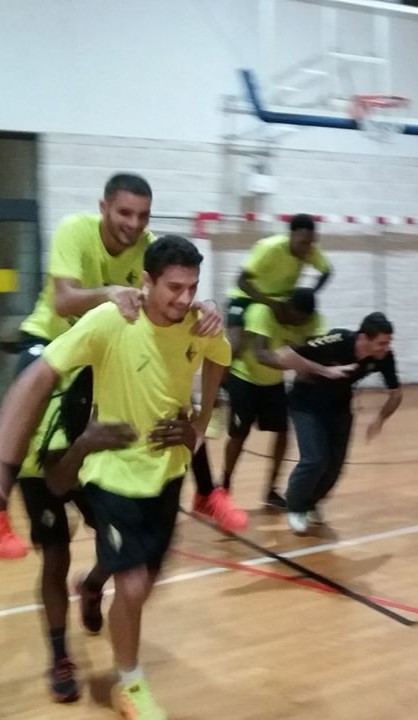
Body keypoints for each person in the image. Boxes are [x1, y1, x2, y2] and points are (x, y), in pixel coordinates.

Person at [0, 235, 231, 719]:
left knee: (145, 583)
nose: (185, 298)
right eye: (174, 287)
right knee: (129, 585)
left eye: (193, 287)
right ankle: (130, 683)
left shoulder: (195, 321)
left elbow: (219, 357)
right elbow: (40, 375)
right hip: (111, 473)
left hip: (167, 473)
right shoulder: (111, 320)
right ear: (145, 282)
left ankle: (91, 586)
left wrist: (200, 421)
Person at [0, 174, 226, 559]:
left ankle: (208, 491)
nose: (134, 224)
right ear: (103, 208)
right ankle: (1, 505)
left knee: (174, 391)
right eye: (125, 212)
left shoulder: (149, 247)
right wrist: (109, 292)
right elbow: (62, 301)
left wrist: (206, 307)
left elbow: (175, 286)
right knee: (32, 380)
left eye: (143, 215)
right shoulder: (76, 230)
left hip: (107, 347)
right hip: (53, 335)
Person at [16, 366, 132, 703]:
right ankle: (59, 658)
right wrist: (84, 445)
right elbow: (56, 481)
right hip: (44, 470)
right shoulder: (63, 401)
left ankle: (91, 585)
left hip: (92, 461)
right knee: (56, 555)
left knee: (124, 542)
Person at [282, 313, 403, 533]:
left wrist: (380, 419)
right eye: (381, 343)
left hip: (338, 408)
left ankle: (311, 502)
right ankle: (295, 506)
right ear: (364, 338)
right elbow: (289, 354)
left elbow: (396, 394)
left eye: (388, 343)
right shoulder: (336, 340)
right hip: (306, 403)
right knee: (315, 459)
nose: (386, 348)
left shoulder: (384, 357)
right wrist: (318, 370)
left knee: (335, 465)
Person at [222, 288, 324, 509]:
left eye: (305, 320)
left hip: (273, 382)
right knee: (239, 434)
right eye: (298, 318)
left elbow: (316, 348)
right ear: (289, 307)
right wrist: (299, 363)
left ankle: (271, 490)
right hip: (244, 378)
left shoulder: (311, 319)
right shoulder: (262, 312)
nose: (300, 324)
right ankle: (225, 487)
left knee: (282, 433)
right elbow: (261, 354)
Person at [225, 214, 333, 352]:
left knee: (305, 342)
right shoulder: (269, 248)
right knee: (236, 346)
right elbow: (241, 281)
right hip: (248, 296)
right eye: (303, 243)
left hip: (281, 300)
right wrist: (270, 304)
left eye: (311, 242)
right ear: (292, 235)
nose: (307, 249)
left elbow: (327, 271)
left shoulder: (311, 249)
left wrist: (311, 293)